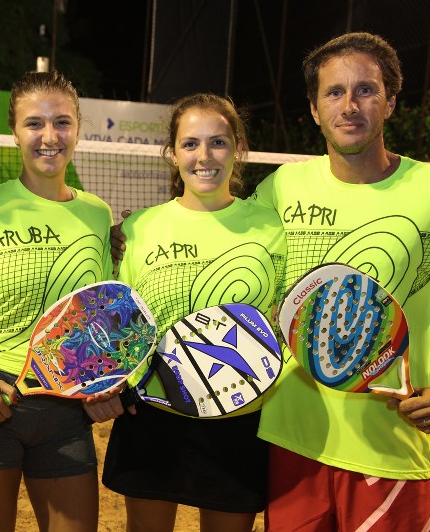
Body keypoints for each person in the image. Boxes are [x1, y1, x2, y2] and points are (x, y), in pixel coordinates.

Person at [250, 32, 430, 531]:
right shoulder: (280, 187)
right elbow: (229, 250)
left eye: (366, 89)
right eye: (334, 92)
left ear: (390, 102)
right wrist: (130, 239)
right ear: (314, 110)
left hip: (390, 445)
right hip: (291, 439)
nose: (349, 105)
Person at [101, 93, 286, 532]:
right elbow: (122, 322)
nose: (204, 156)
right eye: (190, 143)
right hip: (152, 413)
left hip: (237, 417)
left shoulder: (272, 228)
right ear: (172, 153)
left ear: (239, 149)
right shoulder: (137, 229)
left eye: (218, 142)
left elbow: (286, 319)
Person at [0, 70, 114, 532]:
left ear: (78, 128)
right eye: (34, 123)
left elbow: (100, 317)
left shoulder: (97, 215)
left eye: (62, 122)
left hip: (66, 412)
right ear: (14, 132)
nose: (49, 136)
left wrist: (105, 384)